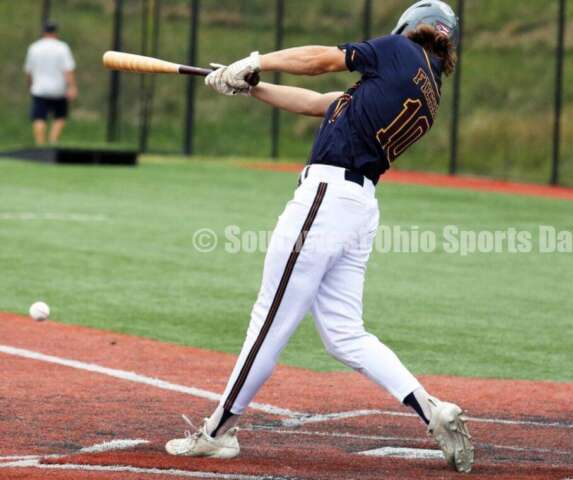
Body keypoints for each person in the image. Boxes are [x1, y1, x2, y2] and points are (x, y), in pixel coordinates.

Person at [165, 1, 474, 473]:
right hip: (357, 207)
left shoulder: (398, 52)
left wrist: (258, 59)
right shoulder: (425, 89)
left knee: (268, 320)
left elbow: (322, 58)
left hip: (326, 198)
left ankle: (216, 433)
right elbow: (317, 102)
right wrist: (252, 85)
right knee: (346, 334)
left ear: (408, 29)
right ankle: (432, 410)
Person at [24, 21, 77, 146]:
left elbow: (29, 71)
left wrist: (30, 85)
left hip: (39, 89)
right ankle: (53, 142)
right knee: (60, 117)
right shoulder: (62, 47)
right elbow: (68, 70)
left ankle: (40, 145)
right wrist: (72, 87)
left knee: (39, 117)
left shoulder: (34, 47)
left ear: (43, 32)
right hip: (58, 89)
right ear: (56, 32)